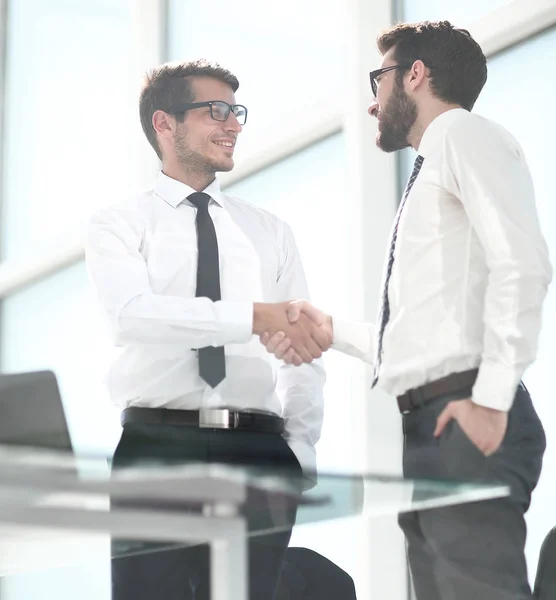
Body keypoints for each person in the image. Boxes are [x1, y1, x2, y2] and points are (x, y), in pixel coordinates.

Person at [261, 21, 552, 600]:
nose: (373, 103)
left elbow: (524, 263)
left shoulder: (461, 135)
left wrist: (489, 403)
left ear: (415, 74)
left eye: (380, 79)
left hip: (467, 412)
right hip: (431, 422)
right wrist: (333, 331)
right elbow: (427, 335)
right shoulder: (436, 165)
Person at [85, 59, 330, 600]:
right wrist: (253, 317)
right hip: (157, 447)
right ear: (164, 124)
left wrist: (299, 454)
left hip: (259, 453)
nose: (234, 124)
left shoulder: (270, 231)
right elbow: (131, 316)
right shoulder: (120, 224)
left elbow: (305, 349)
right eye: (215, 111)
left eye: (236, 112)